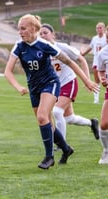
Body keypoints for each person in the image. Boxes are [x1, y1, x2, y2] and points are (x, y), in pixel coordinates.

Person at [4, 14, 99, 170]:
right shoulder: (19, 46)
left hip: (51, 84)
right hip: (34, 88)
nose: (20, 32)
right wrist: (18, 87)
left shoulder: (44, 45)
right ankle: (66, 149)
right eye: (18, 29)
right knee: (46, 122)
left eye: (23, 28)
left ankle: (49, 157)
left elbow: (70, 61)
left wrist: (86, 81)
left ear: (33, 29)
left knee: (43, 116)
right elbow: (7, 71)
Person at [40, 24, 99, 145]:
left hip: (68, 82)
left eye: (45, 32)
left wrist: (87, 80)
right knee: (69, 118)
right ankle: (92, 123)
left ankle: (62, 145)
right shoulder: (41, 51)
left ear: (53, 34)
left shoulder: (61, 47)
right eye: (40, 34)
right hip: (55, 86)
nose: (42, 35)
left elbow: (81, 59)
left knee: (56, 112)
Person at [81, 22, 107, 104]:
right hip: (96, 61)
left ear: (104, 29)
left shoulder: (105, 38)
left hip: (105, 62)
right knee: (97, 80)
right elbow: (90, 47)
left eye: (100, 28)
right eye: (97, 28)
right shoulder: (94, 38)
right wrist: (82, 54)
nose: (99, 29)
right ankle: (96, 99)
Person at [97, 27, 108, 164]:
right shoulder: (103, 53)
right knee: (104, 123)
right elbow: (100, 71)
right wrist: (102, 79)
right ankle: (106, 151)